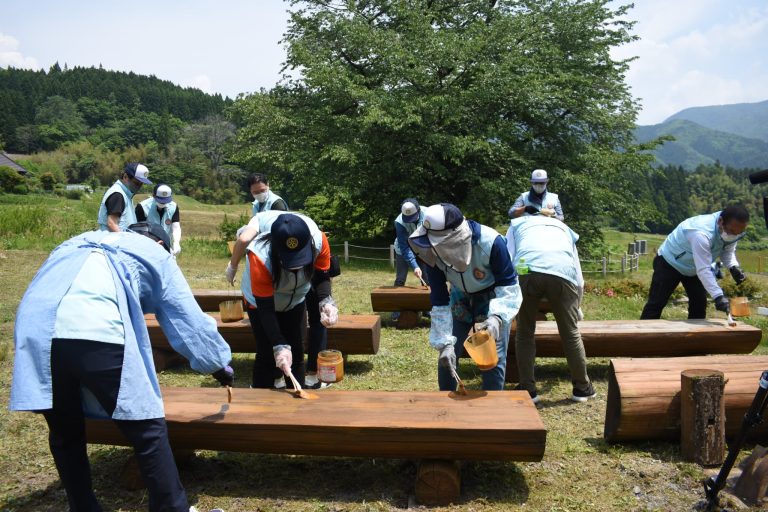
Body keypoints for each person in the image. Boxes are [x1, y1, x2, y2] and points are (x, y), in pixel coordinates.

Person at [10, 223, 234, 512]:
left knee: (65, 430)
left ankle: (82, 507)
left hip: (37, 328)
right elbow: (186, 319)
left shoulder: (75, 241)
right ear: (161, 244)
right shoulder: (155, 254)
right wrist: (218, 364)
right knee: (147, 427)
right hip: (94, 330)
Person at [408, 203, 521, 391]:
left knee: (492, 358)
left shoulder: (491, 242)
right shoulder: (432, 252)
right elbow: (439, 298)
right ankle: (446, 408)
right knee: (447, 358)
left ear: (453, 237)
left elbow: (508, 285)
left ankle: (493, 412)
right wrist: (444, 343)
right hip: (459, 296)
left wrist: (497, 318)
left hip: (493, 298)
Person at [225, 211, 338, 389]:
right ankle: (260, 404)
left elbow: (322, 276)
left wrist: (326, 302)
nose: (297, 268)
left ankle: (297, 402)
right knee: (266, 353)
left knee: (297, 350)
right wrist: (278, 343)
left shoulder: (318, 240)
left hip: (296, 300)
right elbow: (266, 309)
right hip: (260, 304)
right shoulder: (259, 257)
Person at [506, 215, 595, 403]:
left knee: (524, 332)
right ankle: (582, 387)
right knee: (571, 333)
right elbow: (577, 274)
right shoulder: (564, 228)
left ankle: (528, 389)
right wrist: (576, 305)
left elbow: (509, 258)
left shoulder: (517, 224)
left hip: (526, 271)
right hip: (562, 273)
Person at [640, 205, 749, 320]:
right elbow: (703, 269)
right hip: (670, 262)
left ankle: (695, 337)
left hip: (693, 268)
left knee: (699, 305)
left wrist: (733, 266)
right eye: (731, 231)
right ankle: (642, 336)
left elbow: (727, 250)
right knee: (656, 303)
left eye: (738, 233)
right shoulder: (701, 233)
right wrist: (718, 296)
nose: (734, 235)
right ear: (720, 221)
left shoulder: (734, 230)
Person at [392, 198, 429, 321]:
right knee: (400, 279)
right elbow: (404, 246)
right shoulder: (399, 222)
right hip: (403, 250)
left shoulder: (428, 214)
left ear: (418, 211)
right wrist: (415, 266)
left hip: (422, 248)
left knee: (427, 279)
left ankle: (426, 308)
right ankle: (396, 310)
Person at [97, 162, 152, 232]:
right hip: (114, 241)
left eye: (141, 184)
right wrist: (124, 240)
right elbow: (112, 223)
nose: (138, 186)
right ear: (125, 177)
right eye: (136, 183)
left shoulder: (126, 194)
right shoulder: (118, 194)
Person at [136, 183, 182, 256]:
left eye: (165, 200)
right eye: (160, 200)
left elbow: (176, 227)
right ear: (154, 195)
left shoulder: (173, 206)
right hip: (147, 248)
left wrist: (176, 243)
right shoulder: (142, 207)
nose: (163, 203)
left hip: (166, 246)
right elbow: (139, 230)